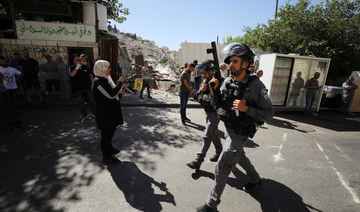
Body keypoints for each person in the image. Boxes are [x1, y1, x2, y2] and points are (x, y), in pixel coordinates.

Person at [196, 43, 273, 212]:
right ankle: (255, 179)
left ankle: (211, 205)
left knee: (223, 165)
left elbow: (269, 114)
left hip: (241, 132)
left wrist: (248, 109)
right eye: (230, 61)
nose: (231, 65)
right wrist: (214, 91)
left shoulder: (256, 86)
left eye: (235, 61)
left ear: (246, 63)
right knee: (240, 156)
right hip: (230, 129)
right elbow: (219, 107)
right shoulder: (228, 82)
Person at [186, 59, 223, 170]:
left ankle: (198, 160)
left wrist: (212, 91)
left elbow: (216, 102)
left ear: (212, 71)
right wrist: (201, 91)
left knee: (207, 136)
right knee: (214, 134)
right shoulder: (205, 81)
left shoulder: (219, 83)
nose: (203, 75)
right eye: (202, 73)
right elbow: (197, 98)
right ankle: (219, 152)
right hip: (207, 112)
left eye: (205, 73)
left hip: (215, 114)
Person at [92, 60, 125, 164]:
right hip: (104, 113)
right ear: (102, 69)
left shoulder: (105, 79)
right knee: (106, 135)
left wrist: (119, 93)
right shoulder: (98, 82)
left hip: (110, 111)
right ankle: (106, 157)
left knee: (110, 132)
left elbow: (112, 94)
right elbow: (110, 94)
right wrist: (120, 83)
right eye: (108, 67)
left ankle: (110, 149)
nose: (110, 69)